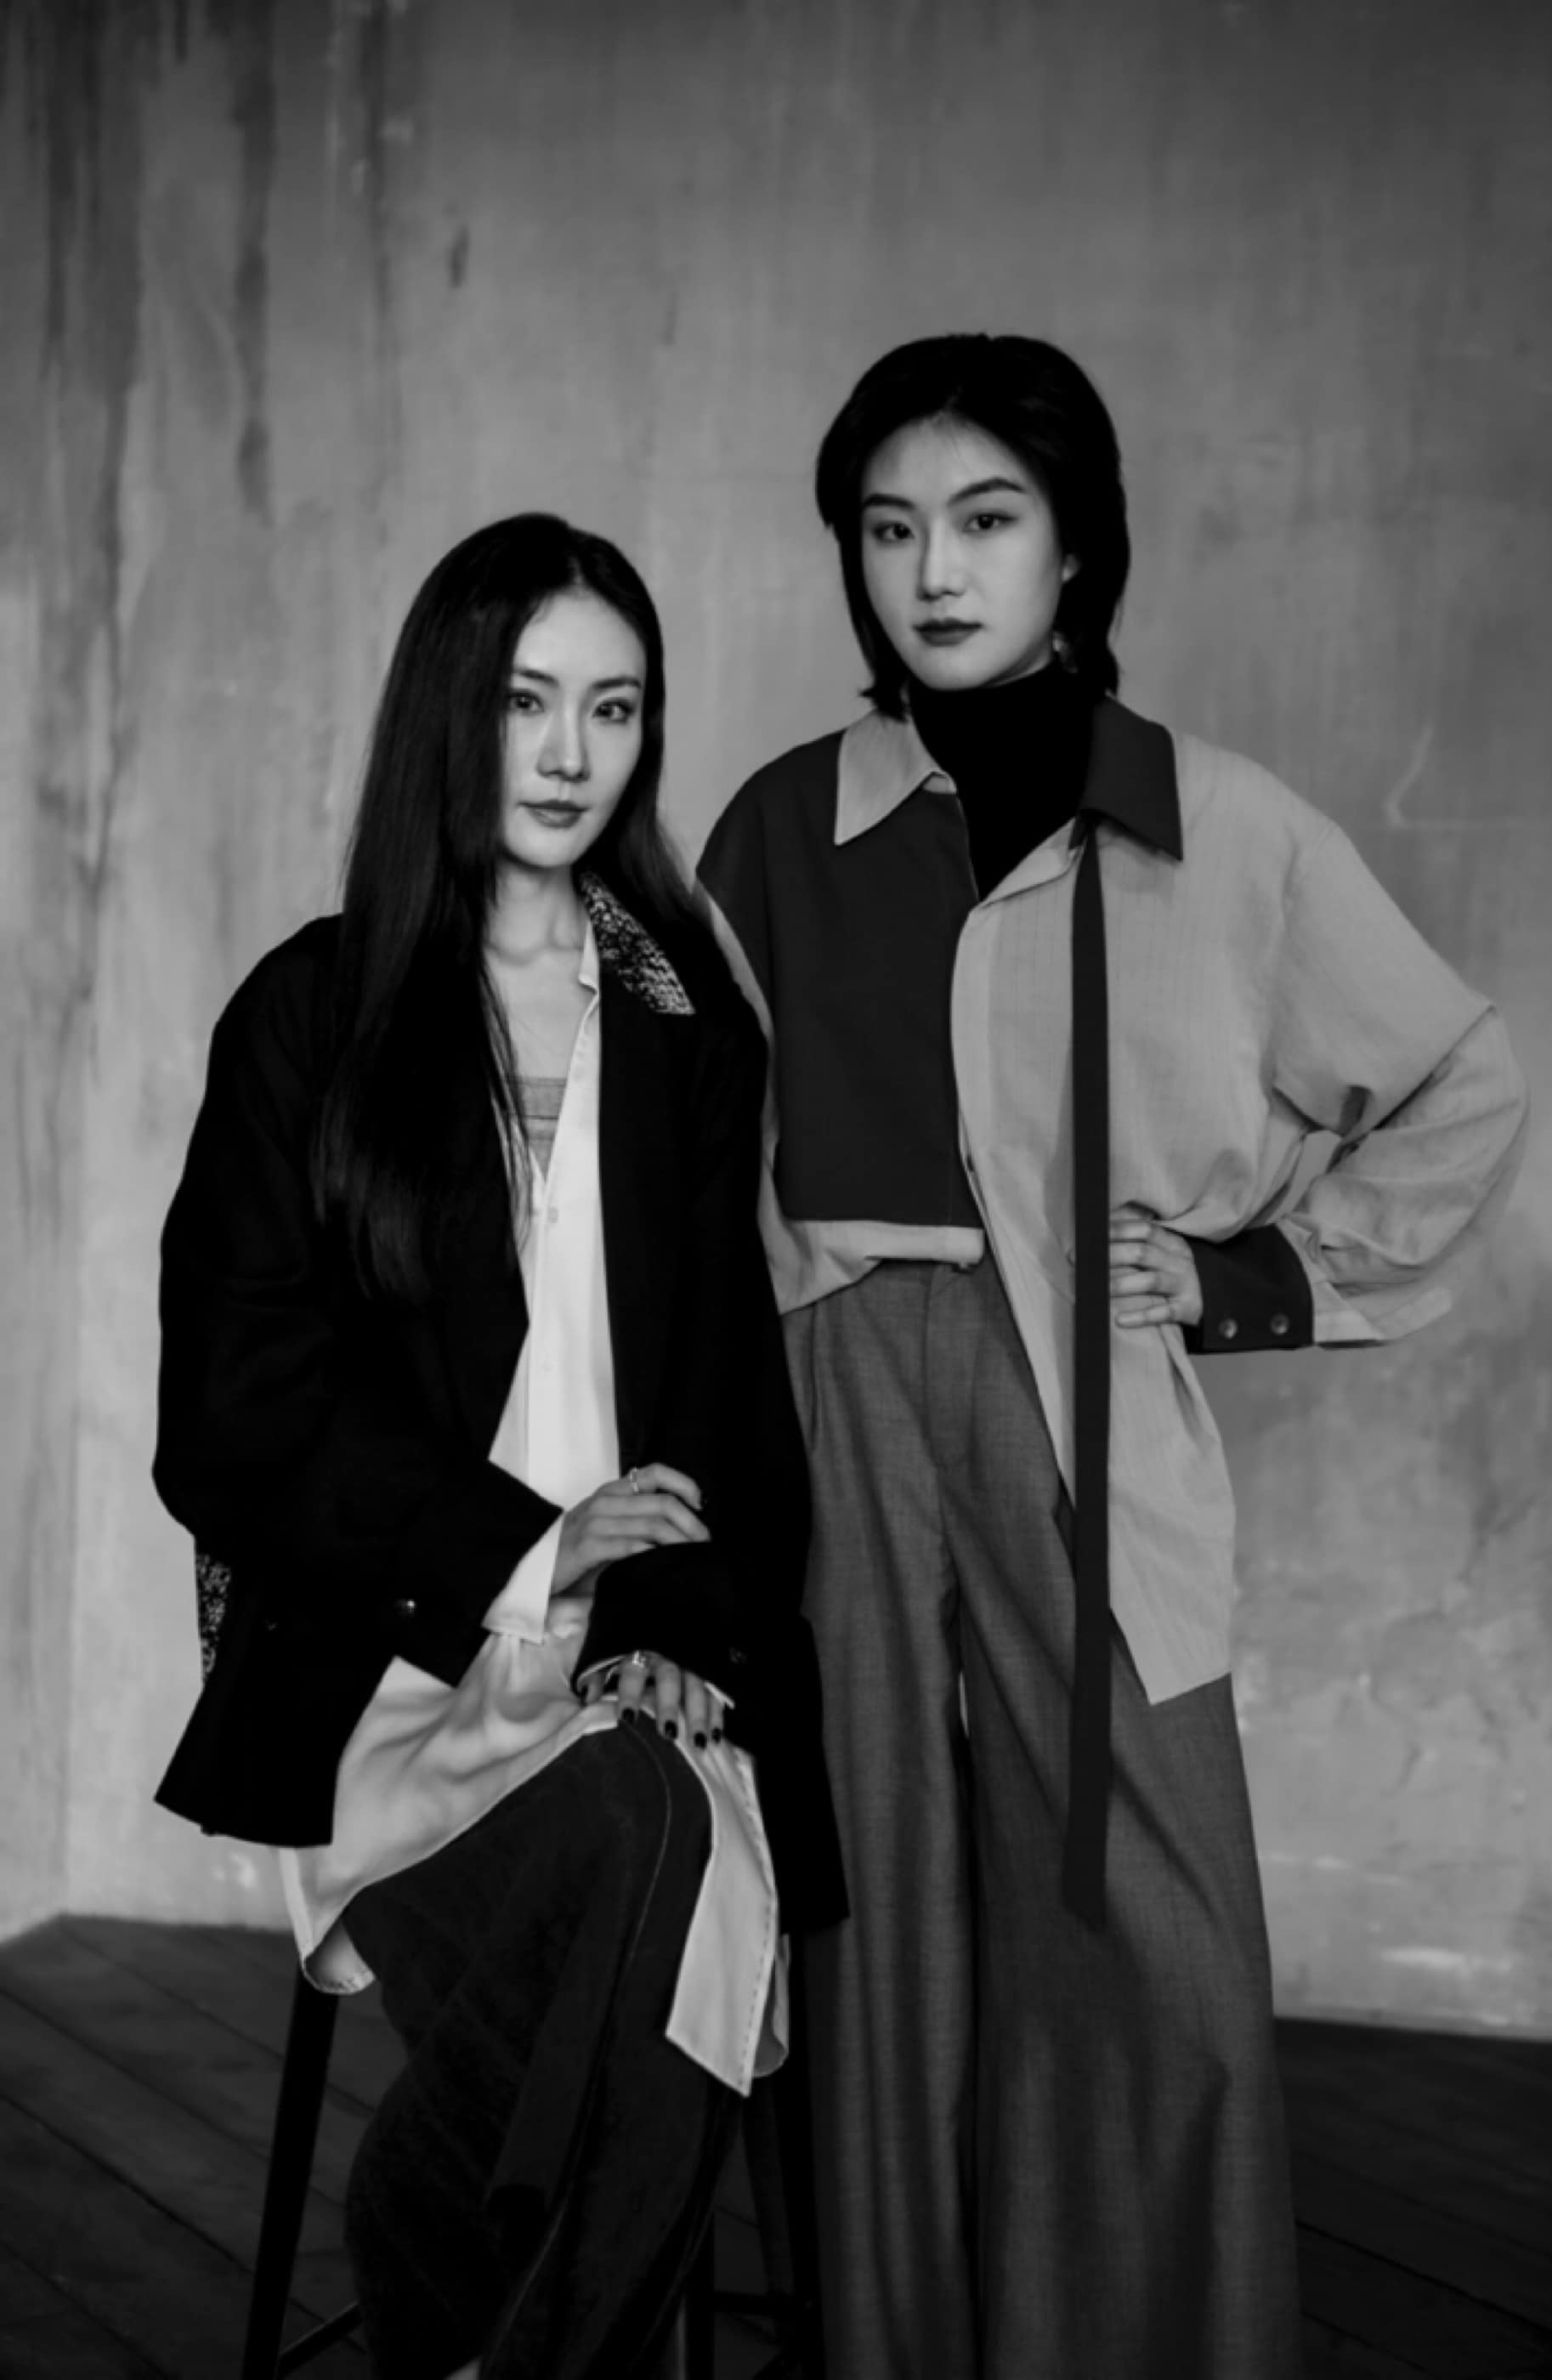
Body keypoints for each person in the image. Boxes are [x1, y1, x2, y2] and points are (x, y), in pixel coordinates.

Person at [696, 334, 1527, 2380]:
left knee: (1155, 1931)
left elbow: (1459, 1080)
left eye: (986, 520)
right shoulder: (780, 827)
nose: (934, 571)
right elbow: (688, 1164)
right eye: (889, 528)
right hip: (834, 1388)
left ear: (1078, 549)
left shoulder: (1214, 824)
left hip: (1079, 1400)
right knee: (872, 1913)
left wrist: (1255, 1275)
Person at [152, 513, 844, 2380]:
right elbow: (228, 1414)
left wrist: (674, 1629)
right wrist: (535, 1547)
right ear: (448, 712)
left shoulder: (682, 1012)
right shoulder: (315, 1010)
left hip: (633, 1668)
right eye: (528, 701)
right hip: (391, 1671)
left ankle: (452, 2302)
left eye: (614, 709)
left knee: (649, 1820)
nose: (568, 753)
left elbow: (724, 1394)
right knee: (657, 1885)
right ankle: (492, 2295)